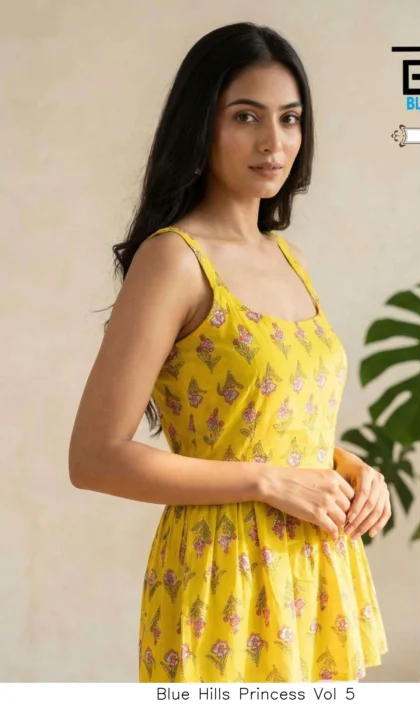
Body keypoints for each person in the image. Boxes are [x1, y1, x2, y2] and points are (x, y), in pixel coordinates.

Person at [68, 22, 390, 683]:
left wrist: (349, 466)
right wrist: (267, 482)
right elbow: (94, 457)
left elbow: (267, 421)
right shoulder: (173, 260)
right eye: (247, 116)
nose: (274, 142)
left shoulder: (289, 259)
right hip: (223, 576)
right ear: (202, 125)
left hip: (317, 573)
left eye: (290, 119)